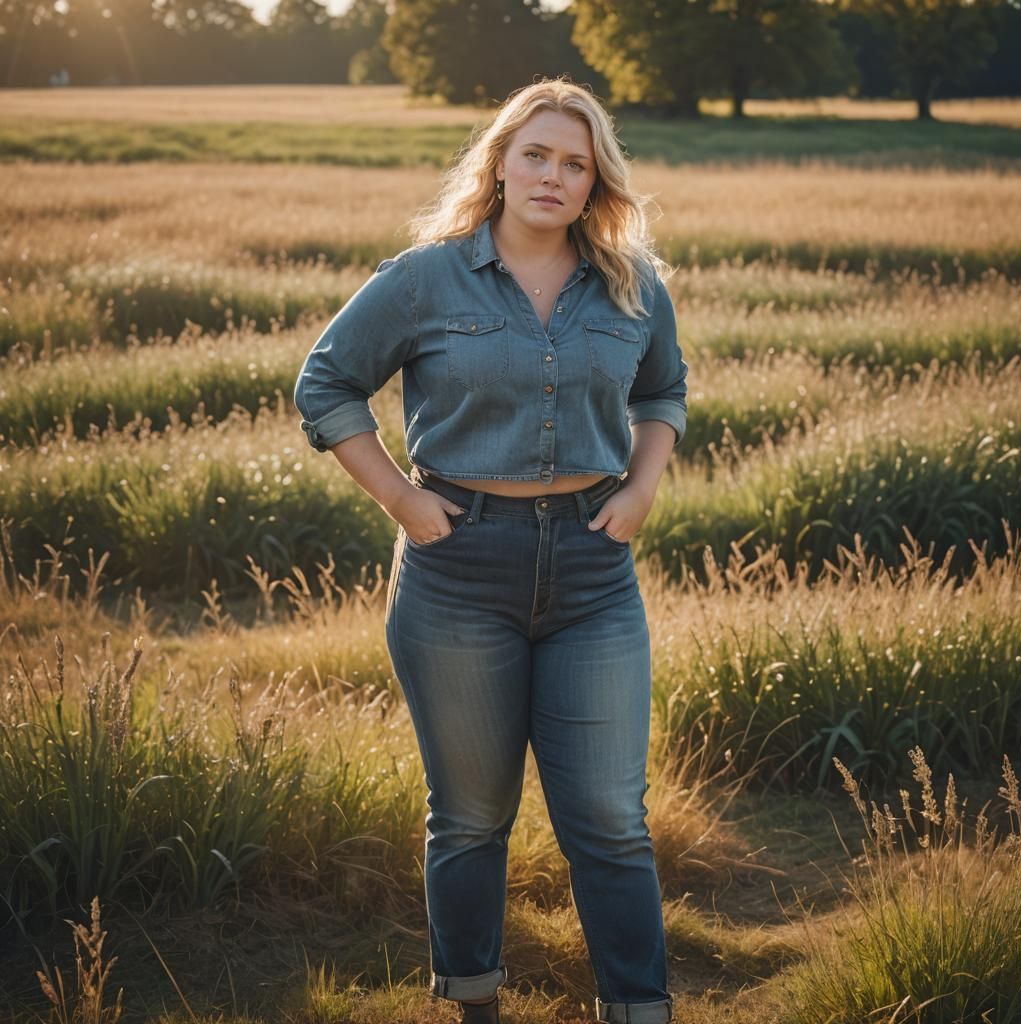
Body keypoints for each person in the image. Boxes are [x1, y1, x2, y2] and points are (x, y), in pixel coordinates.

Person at [293, 76, 687, 1024]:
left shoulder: (633, 285)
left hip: (594, 572)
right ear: (500, 163)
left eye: (575, 162)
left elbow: (664, 392)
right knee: (470, 817)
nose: (553, 175)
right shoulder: (426, 277)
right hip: (457, 571)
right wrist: (398, 498)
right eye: (536, 155)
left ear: (597, 182)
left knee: (609, 821)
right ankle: (474, 1005)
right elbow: (328, 382)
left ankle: (640, 1009)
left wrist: (640, 489)